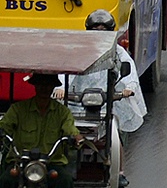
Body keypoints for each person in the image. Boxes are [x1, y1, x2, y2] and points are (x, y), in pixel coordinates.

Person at [68, 10, 144, 139]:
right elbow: (67, 71)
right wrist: (60, 88)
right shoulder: (79, 51)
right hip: (78, 103)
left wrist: (129, 87)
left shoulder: (118, 52)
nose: (100, 34)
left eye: (104, 31)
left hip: (108, 102)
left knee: (117, 133)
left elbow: (129, 72)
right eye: (96, 30)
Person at [0, 73, 82, 186]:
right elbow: (5, 126)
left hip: (52, 163)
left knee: (65, 181)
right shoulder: (18, 109)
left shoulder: (62, 112)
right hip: (21, 161)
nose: (44, 88)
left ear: (53, 87)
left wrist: (76, 137)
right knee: (6, 180)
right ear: (35, 86)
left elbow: (70, 129)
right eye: (41, 85)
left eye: (48, 85)